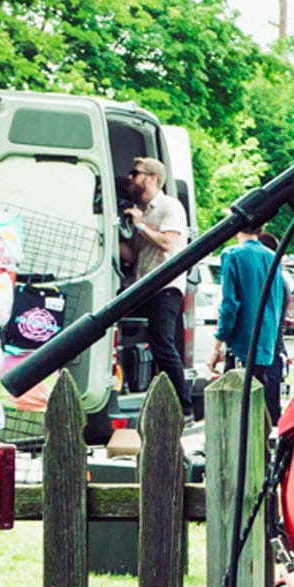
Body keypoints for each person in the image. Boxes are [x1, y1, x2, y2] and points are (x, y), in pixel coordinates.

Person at [118, 157, 194, 408]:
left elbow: (167, 243)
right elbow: (134, 255)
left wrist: (140, 226)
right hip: (143, 284)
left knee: (162, 342)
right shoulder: (143, 211)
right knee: (124, 331)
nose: (130, 178)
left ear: (152, 178)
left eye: (135, 173)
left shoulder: (169, 207)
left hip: (165, 286)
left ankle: (182, 405)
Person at [216, 236, 290, 420]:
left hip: (242, 346)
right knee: (261, 408)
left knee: (235, 410)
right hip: (267, 346)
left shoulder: (233, 254)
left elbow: (229, 305)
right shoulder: (273, 259)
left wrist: (218, 343)